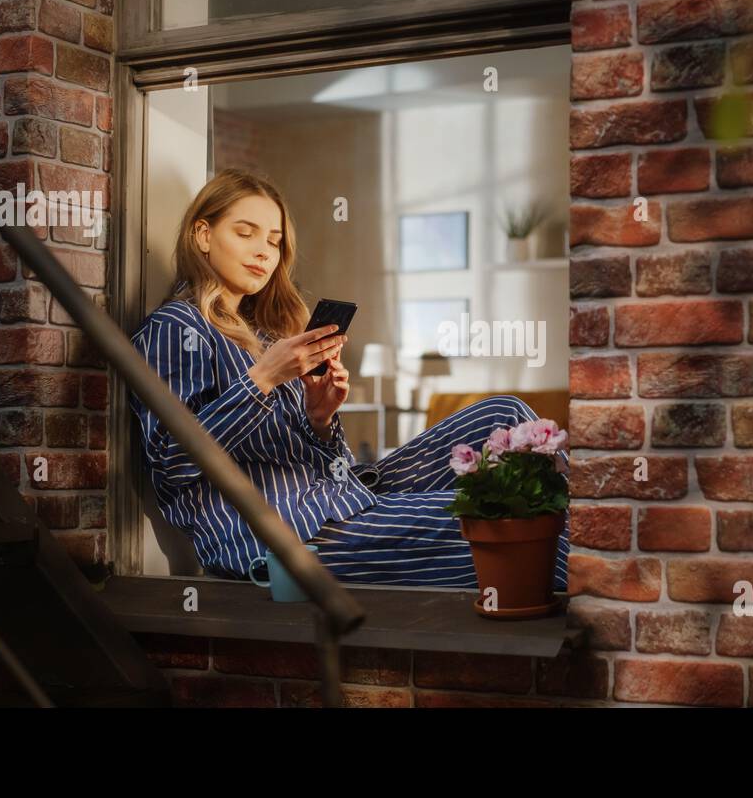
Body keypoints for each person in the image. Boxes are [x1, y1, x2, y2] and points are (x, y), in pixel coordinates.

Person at [128, 169, 570, 589]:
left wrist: (319, 419)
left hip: (338, 496)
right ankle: (600, 581)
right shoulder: (178, 328)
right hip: (280, 536)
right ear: (203, 235)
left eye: (274, 241)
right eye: (245, 233)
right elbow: (170, 463)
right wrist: (262, 378)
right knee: (512, 518)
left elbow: (317, 462)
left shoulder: (264, 337)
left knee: (504, 414)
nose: (263, 250)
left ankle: (590, 539)